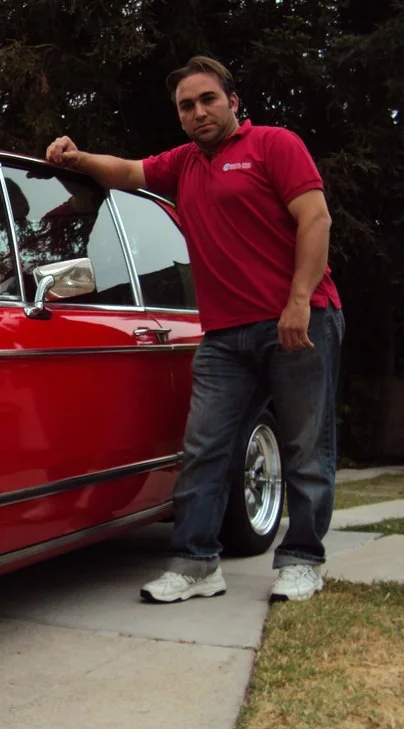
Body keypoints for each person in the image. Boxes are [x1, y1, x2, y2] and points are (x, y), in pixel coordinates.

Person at [45, 55, 344, 603]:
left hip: (298, 323)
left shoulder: (273, 145)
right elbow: (128, 171)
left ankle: (303, 560)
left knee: (306, 447)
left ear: (233, 101)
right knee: (204, 447)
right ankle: (197, 564)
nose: (198, 112)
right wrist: (77, 156)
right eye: (187, 106)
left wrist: (299, 301)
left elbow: (316, 218)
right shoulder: (184, 164)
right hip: (225, 335)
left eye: (208, 100)